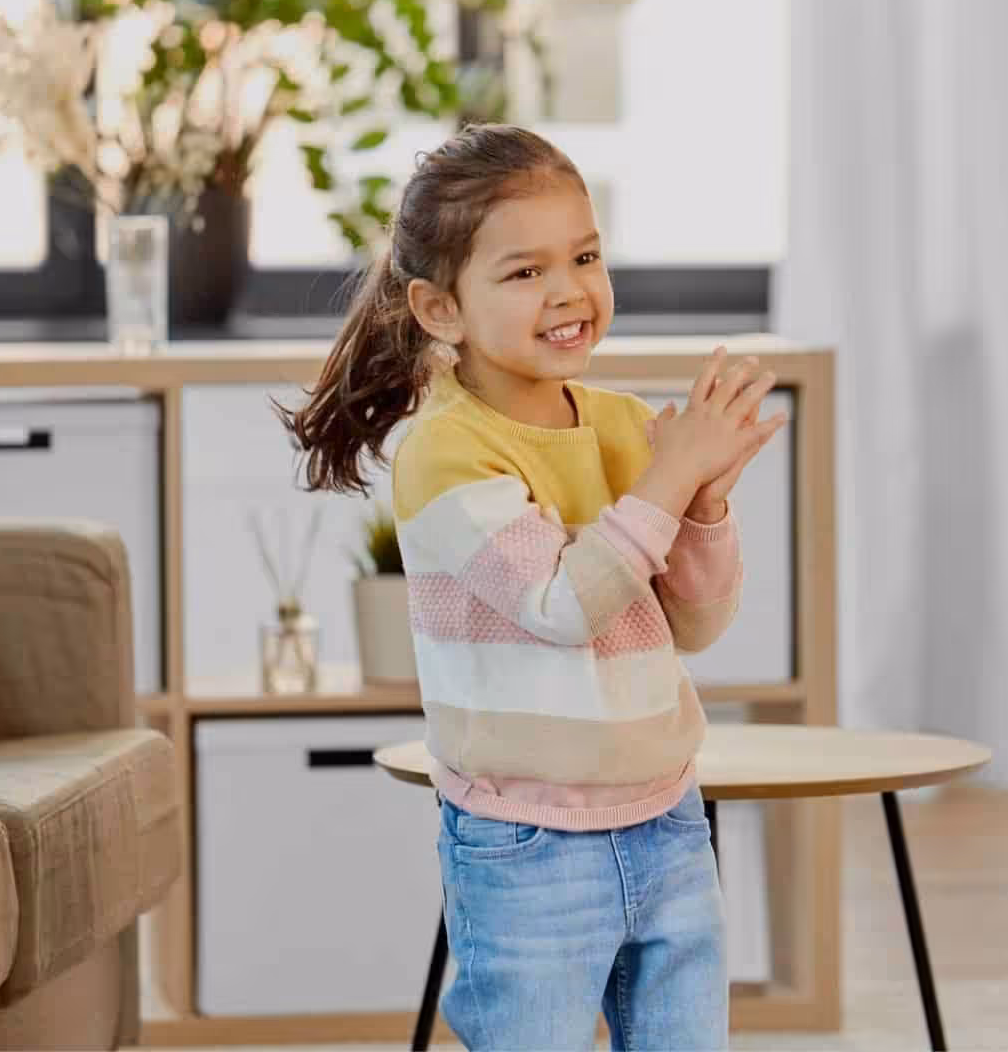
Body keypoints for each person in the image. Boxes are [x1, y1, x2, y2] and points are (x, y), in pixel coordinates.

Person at [277, 123, 786, 1050]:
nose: (569, 291)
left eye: (585, 255)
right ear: (439, 309)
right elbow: (562, 607)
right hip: (528, 843)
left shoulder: (626, 426)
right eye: (524, 272)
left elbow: (696, 625)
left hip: (667, 817)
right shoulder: (446, 452)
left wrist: (704, 501)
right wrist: (668, 484)